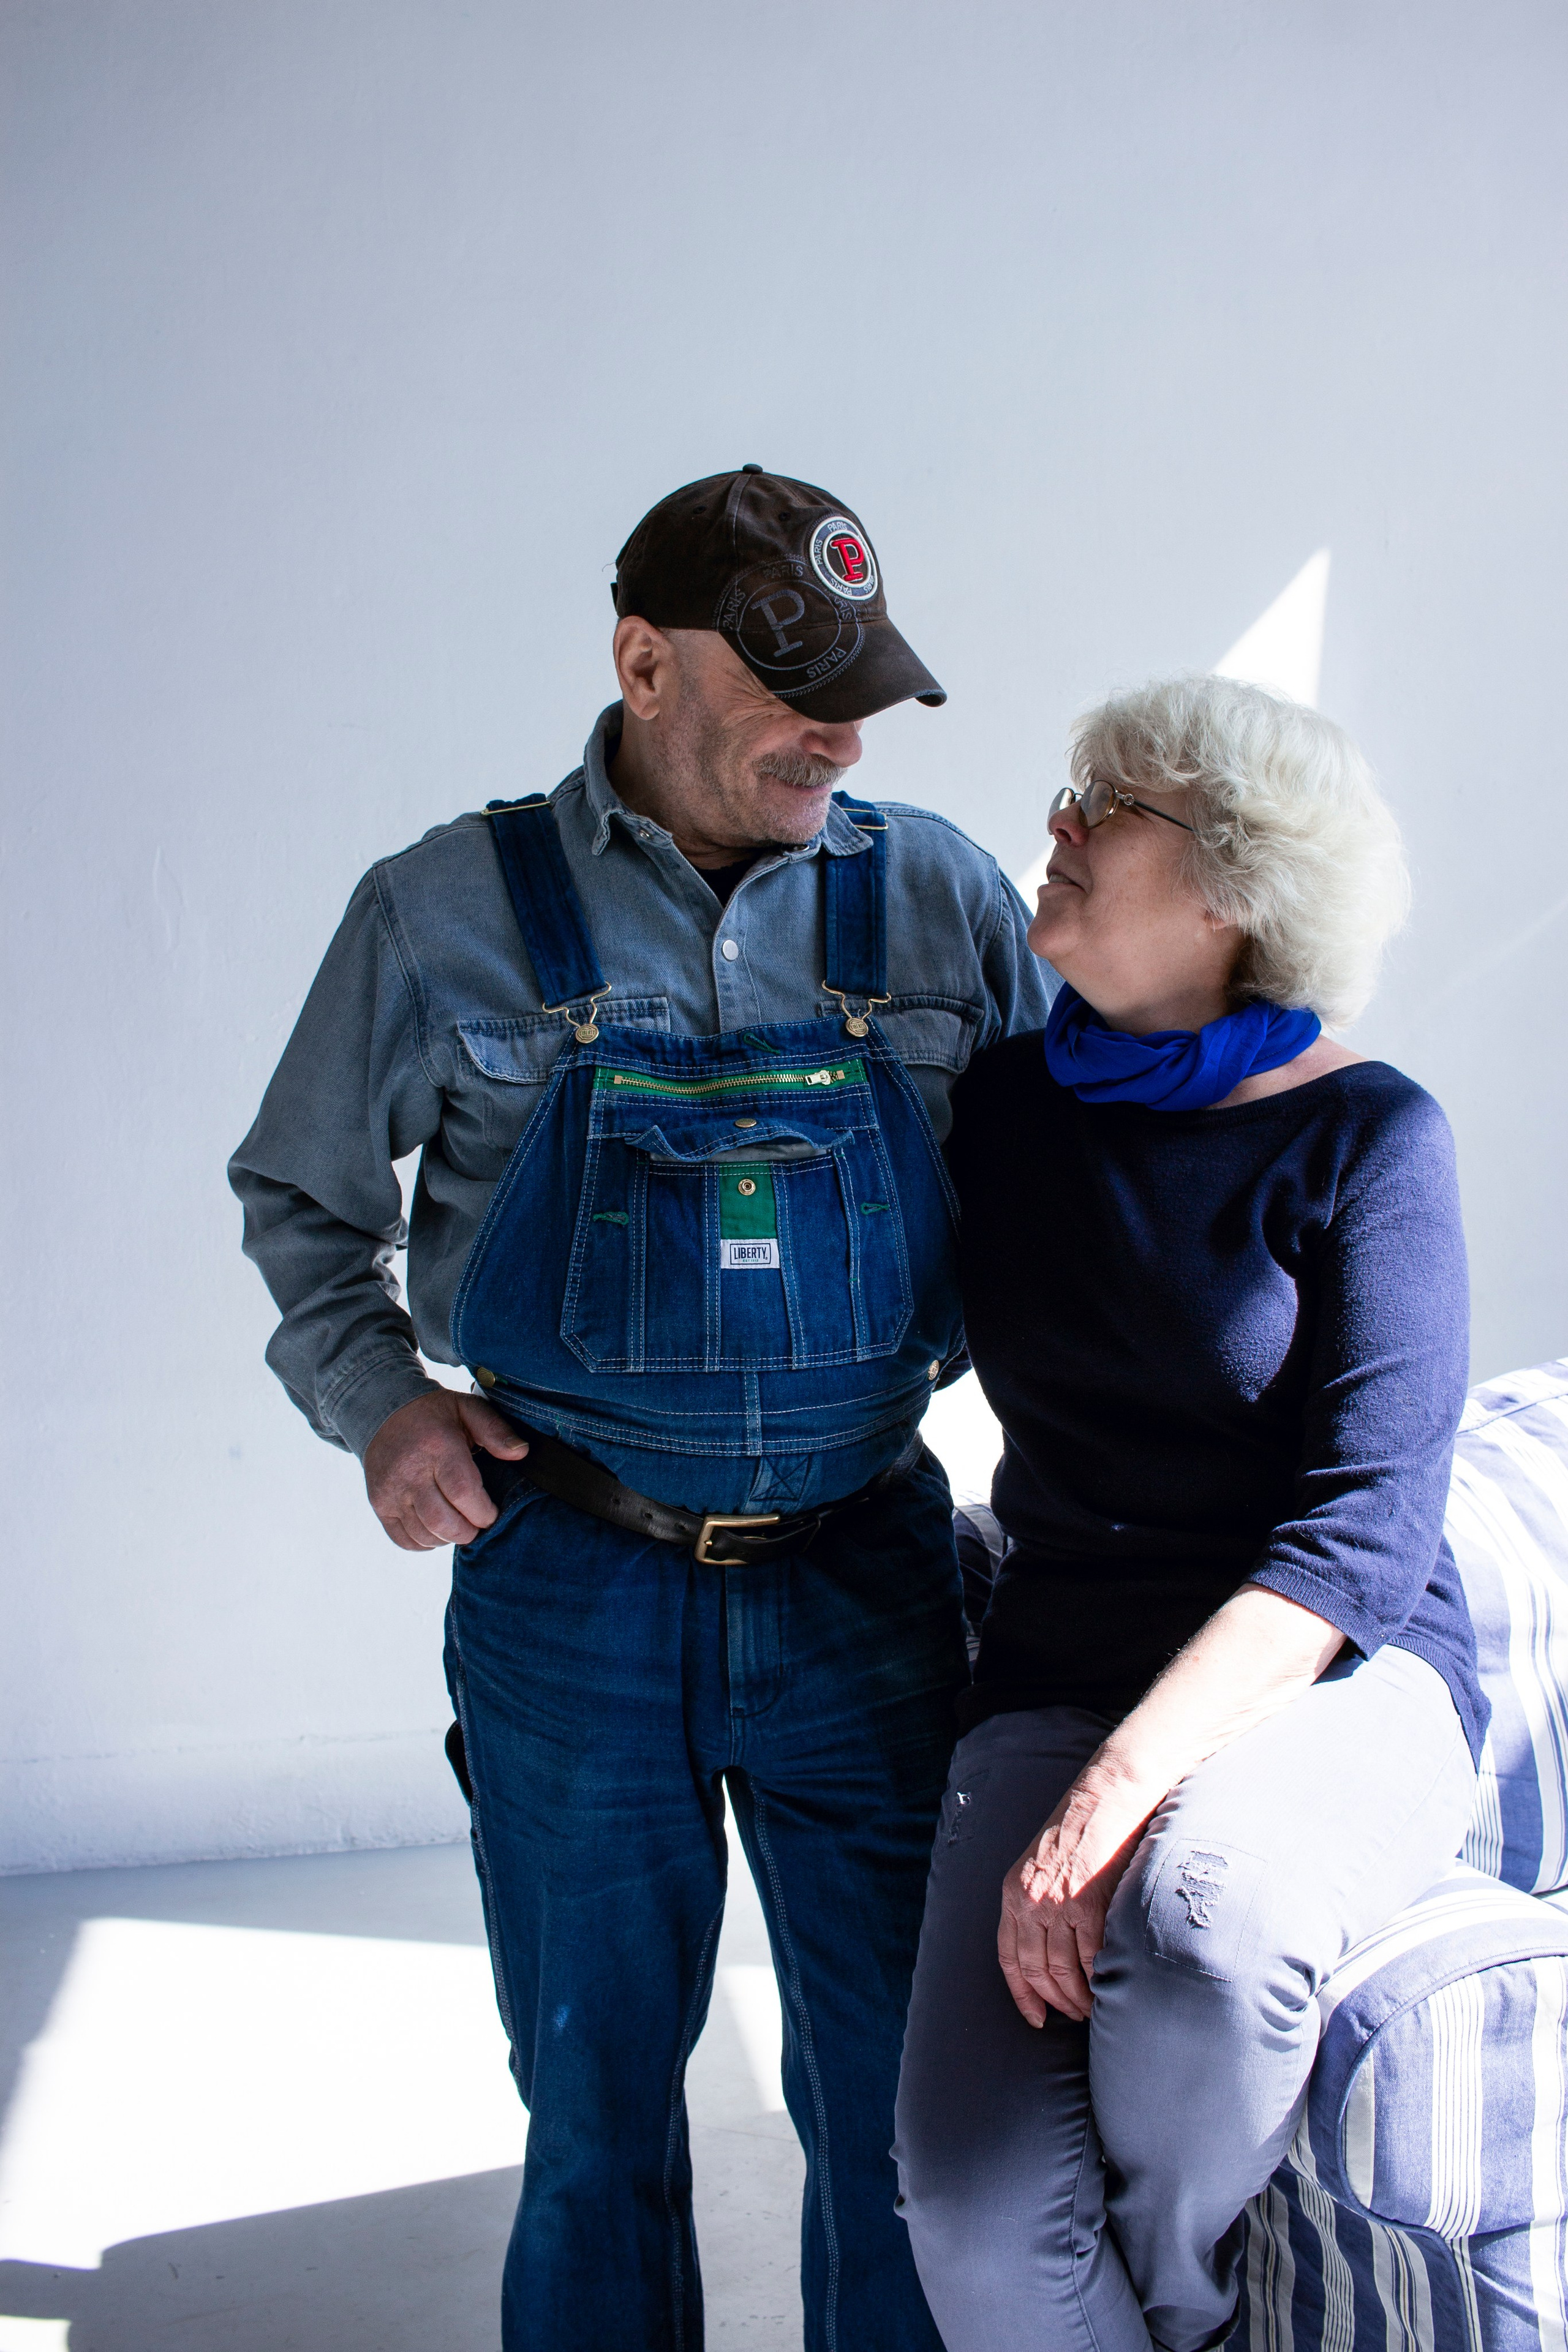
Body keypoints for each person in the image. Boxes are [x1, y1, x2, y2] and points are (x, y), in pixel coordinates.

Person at [228, 464, 1052, 2352]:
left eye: (862, 690)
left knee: (906, 2127)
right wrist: (381, 1405)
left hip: (869, 1582)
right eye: (793, 691)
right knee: (594, 2123)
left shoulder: (940, 898)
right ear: (643, 663)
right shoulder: (445, 912)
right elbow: (301, 1197)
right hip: (572, 1585)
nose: (841, 736)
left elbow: (1065, 1207)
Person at [892, 675, 1487, 2352]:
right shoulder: (1005, 1108)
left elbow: (1362, 1538)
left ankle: (1186, 2315)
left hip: (1339, 1677)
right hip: (1063, 1663)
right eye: (1070, 793)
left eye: (1110, 806)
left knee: (1206, 1936)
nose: (1059, 825)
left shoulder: (1374, 1135)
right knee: (974, 2214)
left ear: (1233, 885)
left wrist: (1112, 1802)